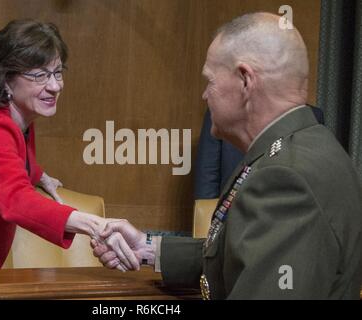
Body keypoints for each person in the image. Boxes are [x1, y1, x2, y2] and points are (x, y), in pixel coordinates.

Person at [93, 12, 362, 299]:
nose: (204, 96)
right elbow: (246, 256)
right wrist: (149, 249)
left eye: (209, 81)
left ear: (245, 80)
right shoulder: (301, 148)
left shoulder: (285, 179)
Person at [0, 19, 137, 271]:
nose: (54, 86)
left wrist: (40, 175)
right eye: (39, 75)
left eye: (57, 72)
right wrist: (97, 225)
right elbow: (16, 199)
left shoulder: (20, 114)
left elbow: (11, 159)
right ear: (6, 80)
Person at [194, 106, 324, 199]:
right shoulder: (223, 111)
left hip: (291, 217)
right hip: (233, 216)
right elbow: (207, 176)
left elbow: (315, 178)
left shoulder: (311, 116)